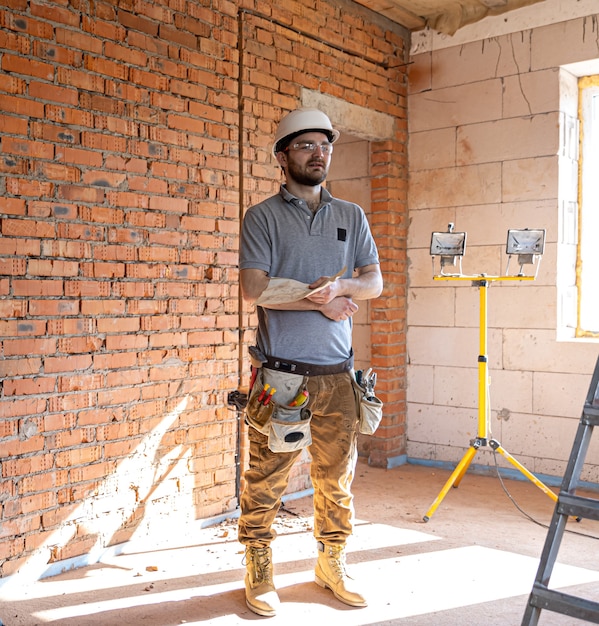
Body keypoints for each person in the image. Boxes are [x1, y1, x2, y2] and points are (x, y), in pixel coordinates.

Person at [238, 108, 383, 617]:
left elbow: (373, 283)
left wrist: (342, 286)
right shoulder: (262, 217)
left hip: (338, 376)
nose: (318, 153)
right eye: (305, 146)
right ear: (283, 157)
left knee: (335, 480)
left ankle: (332, 562)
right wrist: (322, 300)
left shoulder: (351, 215)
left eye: (325, 145)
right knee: (266, 478)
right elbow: (254, 290)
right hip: (282, 377)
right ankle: (259, 569)